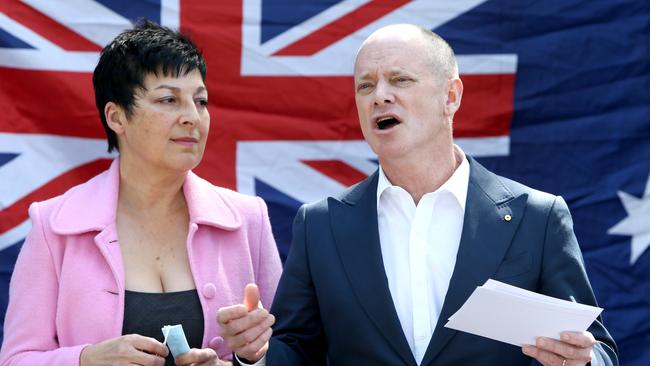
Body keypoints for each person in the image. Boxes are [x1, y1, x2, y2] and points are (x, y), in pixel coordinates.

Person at [217, 24, 618, 366]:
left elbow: (595, 347)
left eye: (400, 80)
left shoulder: (537, 217)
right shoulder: (321, 224)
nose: (379, 96)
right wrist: (257, 354)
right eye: (365, 86)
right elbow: (296, 349)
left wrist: (582, 360)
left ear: (451, 96)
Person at [0, 20, 281, 366]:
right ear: (116, 117)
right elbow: (16, 359)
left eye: (201, 101)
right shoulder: (53, 225)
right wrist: (85, 360)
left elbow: (292, 349)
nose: (193, 117)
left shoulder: (247, 219)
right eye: (168, 99)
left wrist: (246, 361)